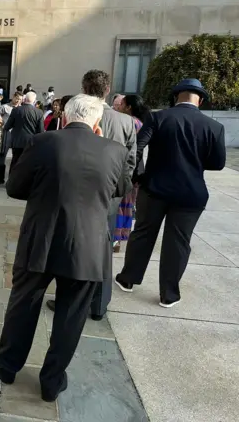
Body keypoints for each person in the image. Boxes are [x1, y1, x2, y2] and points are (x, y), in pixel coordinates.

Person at [0, 94, 131, 402]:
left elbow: (14, 187)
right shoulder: (115, 151)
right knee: (71, 316)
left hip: (42, 239)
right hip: (88, 247)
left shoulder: (44, 142)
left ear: (64, 117)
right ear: (97, 123)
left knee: (23, 305)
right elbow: (120, 189)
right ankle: (51, 382)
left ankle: (8, 365)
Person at [115, 79, 226, 308]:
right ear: (201, 100)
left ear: (176, 97)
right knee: (178, 242)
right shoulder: (214, 127)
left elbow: (137, 147)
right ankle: (169, 294)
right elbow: (217, 163)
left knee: (143, 233)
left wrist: (138, 175)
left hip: (155, 187)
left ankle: (128, 279)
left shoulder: (158, 117)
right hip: (191, 193)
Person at [46, 70, 136, 320]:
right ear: (108, 91)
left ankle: (67, 300)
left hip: (69, 196)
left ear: (83, 88)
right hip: (108, 198)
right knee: (102, 250)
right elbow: (131, 164)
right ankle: (98, 305)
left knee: (68, 247)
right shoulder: (125, 122)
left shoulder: (72, 115)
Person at [113, 95, 150, 252]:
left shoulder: (129, 122)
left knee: (120, 204)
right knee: (128, 205)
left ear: (128, 107)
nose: (118, 107)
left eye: (121, 104)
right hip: (136, 170)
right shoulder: (141, 123)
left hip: (126, 168)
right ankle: (121, 237)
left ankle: (115, 238)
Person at [4, 91, 44, 173]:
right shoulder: (39, 112)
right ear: (34, 100)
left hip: (17, 141)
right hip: (31, 142)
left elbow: (7, 126)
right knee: (28, 163)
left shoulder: (16, 110)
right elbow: (40, 131)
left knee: (15, 161)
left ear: (24, 99)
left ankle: (12, 181)